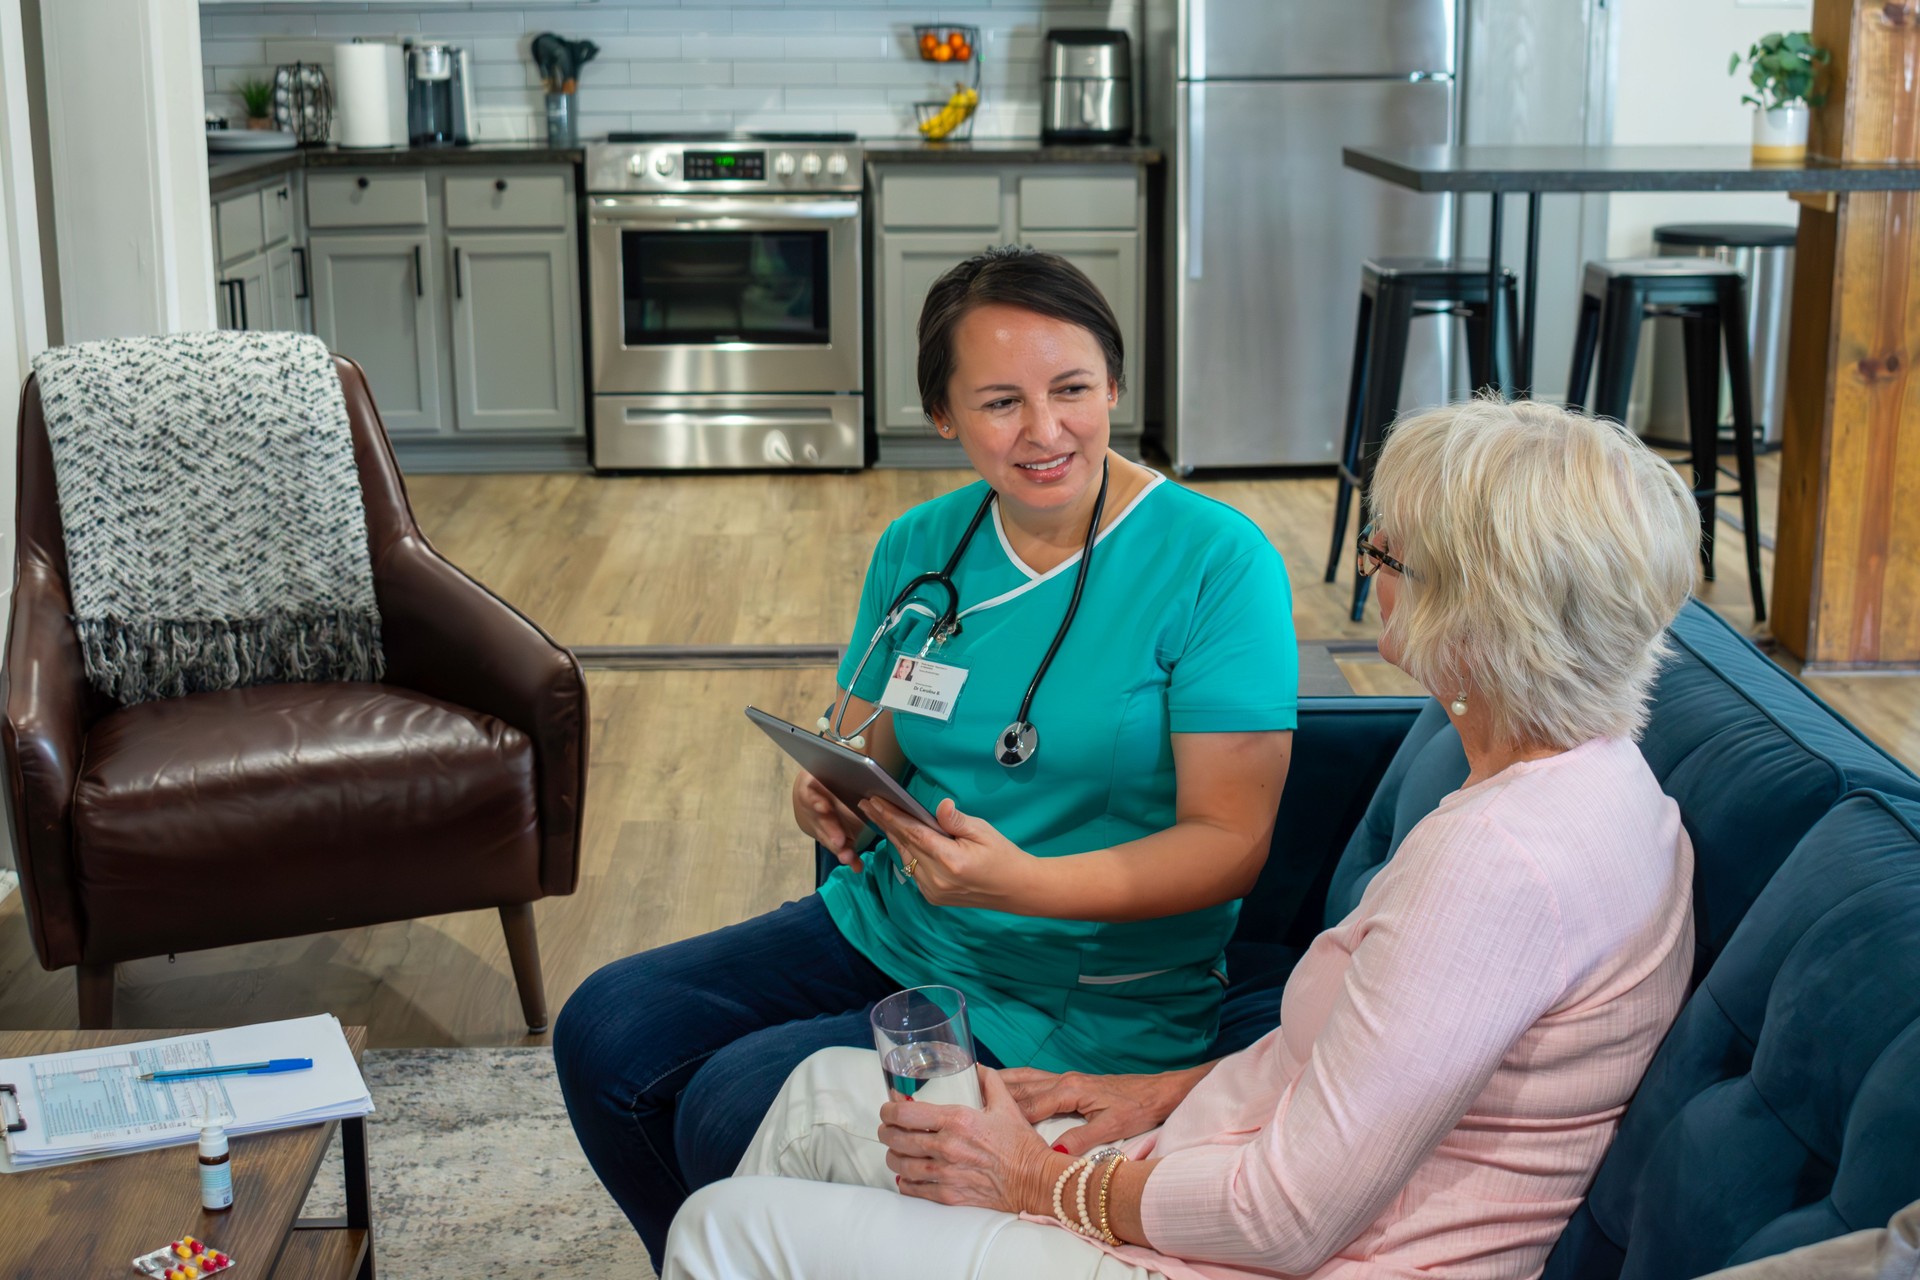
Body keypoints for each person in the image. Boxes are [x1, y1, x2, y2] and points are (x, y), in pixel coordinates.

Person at [661, 397, 1703, 1280]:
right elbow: (1372, 1070)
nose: (1372, 567)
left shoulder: (1504, 864)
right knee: (813, 1093)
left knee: (721, 1227)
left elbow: (1290, 1218)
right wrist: (1167, 1090)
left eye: (1388, 550)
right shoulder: (1594, 781)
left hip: (1251, 1255)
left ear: (1473, 614)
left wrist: (1035, 1178)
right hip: (1210, 1160)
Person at [555, 246, 1299, 1268]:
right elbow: (868, 744)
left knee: (732, 1102)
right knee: (609, 1029)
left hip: (1085, 991)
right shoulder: (923, 545)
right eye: (1001, 402)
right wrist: (830, 789)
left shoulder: (1215, 562)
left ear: (1115, 385)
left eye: (1072, 389)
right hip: (896, 921)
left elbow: (1232, 839)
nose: (1045, 430)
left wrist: (1028, 883)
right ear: (942, 415)